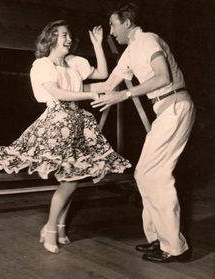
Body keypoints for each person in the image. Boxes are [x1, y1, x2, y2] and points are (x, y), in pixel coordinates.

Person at [0, 20, 131, 254]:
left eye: (69, 35)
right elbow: (57, 93)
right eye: (63, 35)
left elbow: (103, 76)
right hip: (57, 123)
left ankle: (60, 227)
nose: (69, 39)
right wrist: (91, 93)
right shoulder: (42, 65)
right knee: (70, 180)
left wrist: (97, 45)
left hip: (76, 122)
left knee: (73, 178)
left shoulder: (74, 63)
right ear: (51, 38)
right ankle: (51, 228)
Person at [86, 2, 196, 263]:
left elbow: (162, 77)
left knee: (155, 173)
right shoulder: (129, 52)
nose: (111, 31)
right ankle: (159, 239)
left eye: (113, 25)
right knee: (143, 173)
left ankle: (175, 247)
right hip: (165, 111)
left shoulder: (147, 39)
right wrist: (61, 85)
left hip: (176, 105)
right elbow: (107, 84)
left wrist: (124, 94)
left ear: (127, 22)